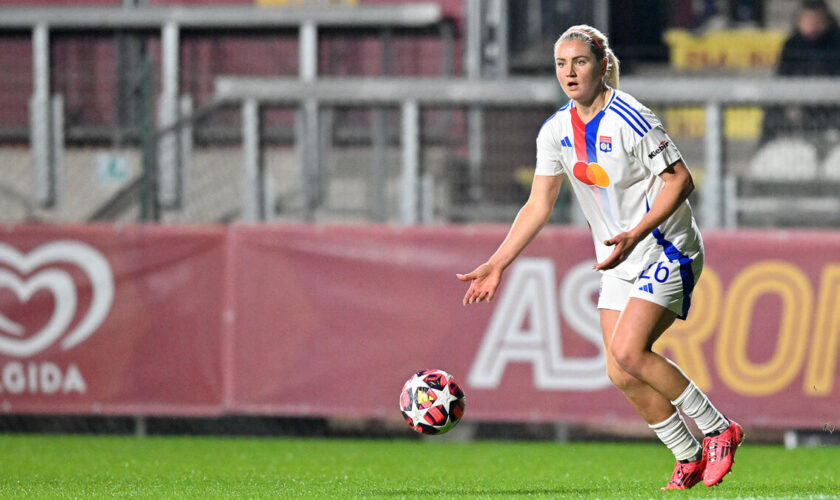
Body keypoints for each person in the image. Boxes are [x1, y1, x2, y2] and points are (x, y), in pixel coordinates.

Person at [456, 25, 743, 491]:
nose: (569, 73)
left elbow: (680, 181)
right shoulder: (554, 131)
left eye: (580, 62)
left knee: (631, 350)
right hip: (620, 257)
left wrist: (636, 232)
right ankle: (686, 453)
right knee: (618, 369)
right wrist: (498, 262)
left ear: (602, 65)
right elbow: (539, 204)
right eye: (561, 64)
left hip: (664, 246)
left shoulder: (631, 117)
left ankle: (718, 429)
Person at [761, 0, 840, 142]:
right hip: (800, 109)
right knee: (772, 112)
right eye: (807, 19)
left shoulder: (836, 43)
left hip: (833, 109)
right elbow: (782, 79)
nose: (811, 24)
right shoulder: (792, 45)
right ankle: (766, 148)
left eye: (815, 19)